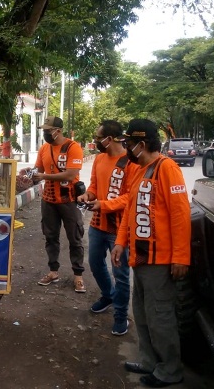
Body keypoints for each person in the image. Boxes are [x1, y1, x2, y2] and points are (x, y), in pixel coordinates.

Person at [111, 118, 190, 388]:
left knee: (160, 316)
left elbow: (180, 215)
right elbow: (130, 213)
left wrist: (181, 256)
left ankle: (170, 369)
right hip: (140, 258)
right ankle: (148, 361)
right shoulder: (140, 170)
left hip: (160, 260)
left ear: (142, 144)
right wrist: (121, 242)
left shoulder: (167, 169)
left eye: (129, 144)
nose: (126, 148)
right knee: (142, 314)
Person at [76, 119, 138, 335]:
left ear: (109, 139)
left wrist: (104, 204)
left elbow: (130, 197)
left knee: (121, 274)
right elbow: (94, 184)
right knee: (94, 263)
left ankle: (121, 315)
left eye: (97, 137)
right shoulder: (100, 159)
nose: (95, 141)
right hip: (97, 224)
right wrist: (88, 195)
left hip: (119, 229)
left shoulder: (130, 162)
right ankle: (108, 295)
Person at [27, 116, 86, 293]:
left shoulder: (73, 148)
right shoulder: (44, 148)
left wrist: (44, 177)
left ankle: (78, 276)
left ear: (58, 131)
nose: (45, 133)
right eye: (44, 130)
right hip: (49, 200)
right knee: (50, 237)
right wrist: (29, 173)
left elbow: (70, 175)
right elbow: (39, 170)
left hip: (68, 200)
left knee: (75, 237)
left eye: (48, 130)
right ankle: (53, 272)